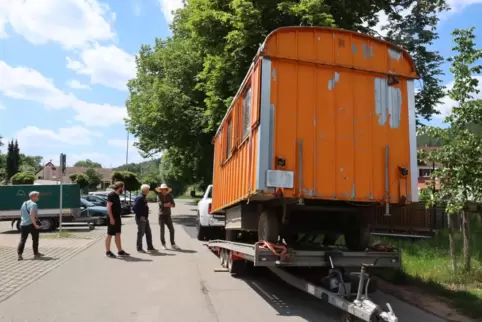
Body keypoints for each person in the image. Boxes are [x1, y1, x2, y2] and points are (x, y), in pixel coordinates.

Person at [105, 181, 130, 258]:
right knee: (110, 234)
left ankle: (120, 251)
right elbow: (108, 207)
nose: (124, 189)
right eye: (123, 187)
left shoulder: (117, 195)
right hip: (112, 217)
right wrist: (111, 218)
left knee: (118, 234)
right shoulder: (111, 195)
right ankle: (108, 251)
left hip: (117, 217)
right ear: (120, 187)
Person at [17, 191, 44, 261]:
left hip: (23, 224)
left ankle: (19, 255)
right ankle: (36, 253)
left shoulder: (24, 203)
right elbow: (32, 215)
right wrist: (35, 225)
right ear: (33, 196)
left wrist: (23, 220)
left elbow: (21, 213)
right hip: (31, 224)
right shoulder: (33, 204)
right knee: (35, 239)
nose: (38, 197)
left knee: (23, 239)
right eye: (37, 196)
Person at [133, 184, 156, 253]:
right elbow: (134, 208)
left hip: (145, 218)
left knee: (148, 232)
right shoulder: (140, 198)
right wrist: (140, 216)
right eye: (148, 190)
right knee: (141, 233)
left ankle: (150, 247)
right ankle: (139, 248)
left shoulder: (143, 197)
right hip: (141, 218)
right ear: (145, 190)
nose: (149, 191)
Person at [156, 183, 179, 250]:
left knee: (172, 230)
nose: (163, 190)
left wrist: (167, 204)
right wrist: (168, 204)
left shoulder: (170, 196)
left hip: (168, 215)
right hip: (161, 215)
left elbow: (174, 205)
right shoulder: (159, 196)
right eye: (162, 189)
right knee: (162, 230)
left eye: (164, 189)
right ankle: (163, 244)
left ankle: (173, 244)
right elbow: (161, 205)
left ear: (166, 189)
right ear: (160, 190)